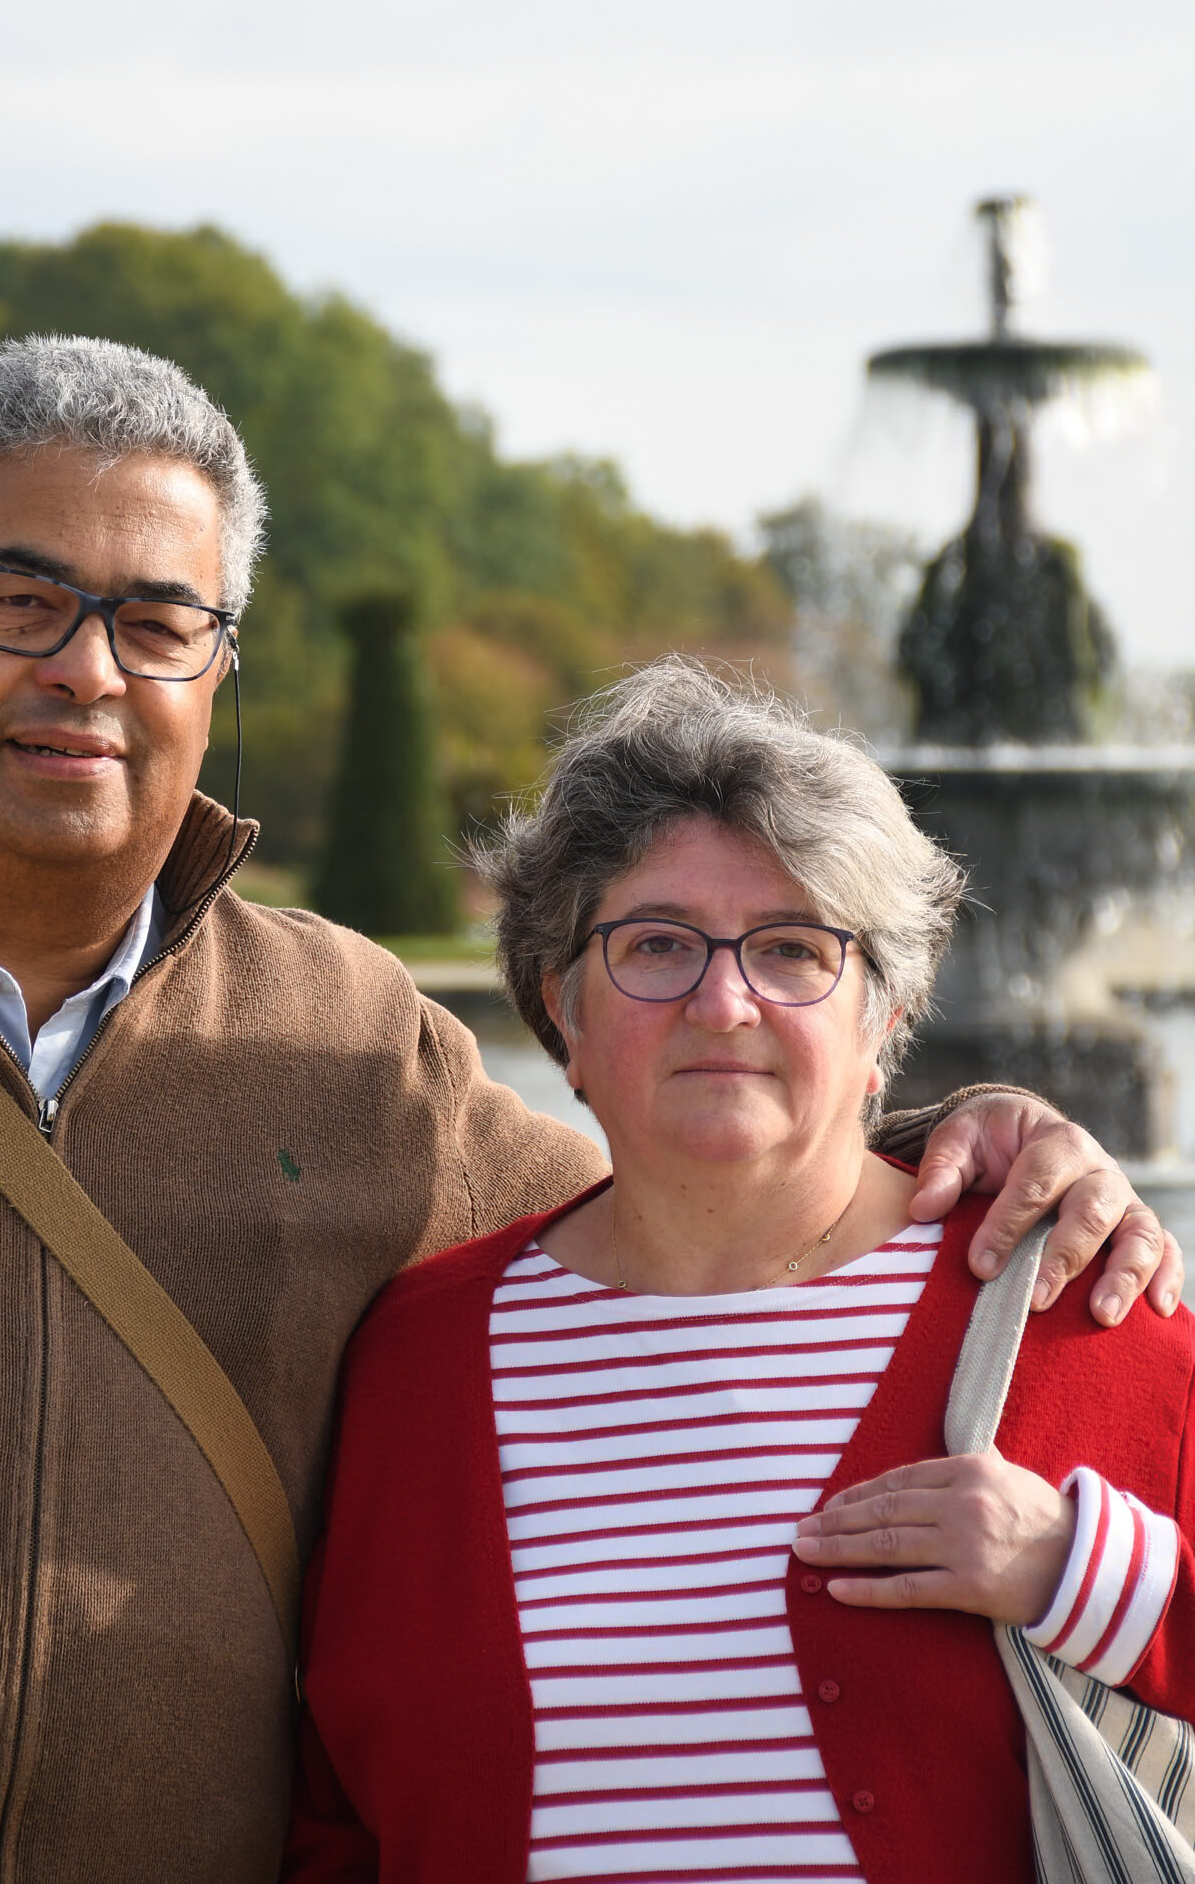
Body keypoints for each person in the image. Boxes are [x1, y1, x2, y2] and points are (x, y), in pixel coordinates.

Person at [0, 343, 1177, 1884]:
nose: (90, 667)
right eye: (22, 597)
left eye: (160, 621)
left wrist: (990, 1131)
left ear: (214, 670)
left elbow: (692, 1191)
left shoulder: (351, 1036)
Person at [283, 660, 1193, 1884]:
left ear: (883, 1018)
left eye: (790, 947)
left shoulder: (1078, 1313)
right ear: (561, 1011)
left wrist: (1087, 1570)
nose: (723, 1001)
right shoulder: (415, 1358)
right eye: (655, 944)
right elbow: (338, 1816)